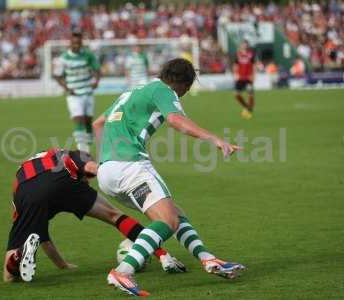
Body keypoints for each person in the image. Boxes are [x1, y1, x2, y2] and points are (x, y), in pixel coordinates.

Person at [93, 58, 245, 297]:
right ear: (181, 83)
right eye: (187, 88)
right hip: (131, 166)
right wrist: (215, 140)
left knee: (174, 212)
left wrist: (106, 158)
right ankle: (122, 271)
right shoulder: (164, 90)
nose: (184, 94)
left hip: (106, 173)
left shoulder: (133, 91)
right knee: (168, 221)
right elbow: (176, 120)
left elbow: (98, 123)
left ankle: (208, 259)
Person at [3, 148, 186, 283]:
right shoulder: (74, 154)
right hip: (63, 179)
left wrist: (62, 265)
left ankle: (18, 256)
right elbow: (95, 168)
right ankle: (162, 255)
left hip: (25, 191)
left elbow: (42, 238)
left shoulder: (34, 163)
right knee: (115, 216)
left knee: (9, 277)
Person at [54, 31, 101, 152]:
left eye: (79, 43)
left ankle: (89, 139)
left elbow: (97, 69)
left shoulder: (88, 55)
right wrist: (67, 88)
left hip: (87, 91)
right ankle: (83, 149)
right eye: (75, 43)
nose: (77, 45)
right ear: (71, 43)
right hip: (73, 94)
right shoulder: (63, 58)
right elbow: (57, 75)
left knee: (88, 120)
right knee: (78, 118)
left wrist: (96, 80)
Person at [233, 40, 256, 120]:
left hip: (248, 77)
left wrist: (253, 75)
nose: (245, 46)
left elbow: (253, 65)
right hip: (240, 77)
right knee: (236, 94)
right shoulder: (238, 54)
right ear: (241, 45)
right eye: (243, 45)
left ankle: (249, 111)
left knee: (250, 94)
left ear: (247, 46)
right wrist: (235, 74)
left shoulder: (251, 54)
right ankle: (246, 106)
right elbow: (235, 65)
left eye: (246, 45)